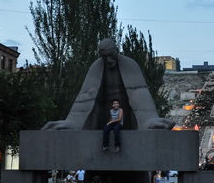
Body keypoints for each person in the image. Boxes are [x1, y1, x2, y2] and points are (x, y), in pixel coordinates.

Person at [41, 38, 175, 131]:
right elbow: (85, 98)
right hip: (103, 120)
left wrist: (149, 120)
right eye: (105, 57)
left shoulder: (130, 65)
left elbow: (139, 93)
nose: (109, 60)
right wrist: (72, 122)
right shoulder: (96, 67)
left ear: (116, 50)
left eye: (111, 55)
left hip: (127, 118)